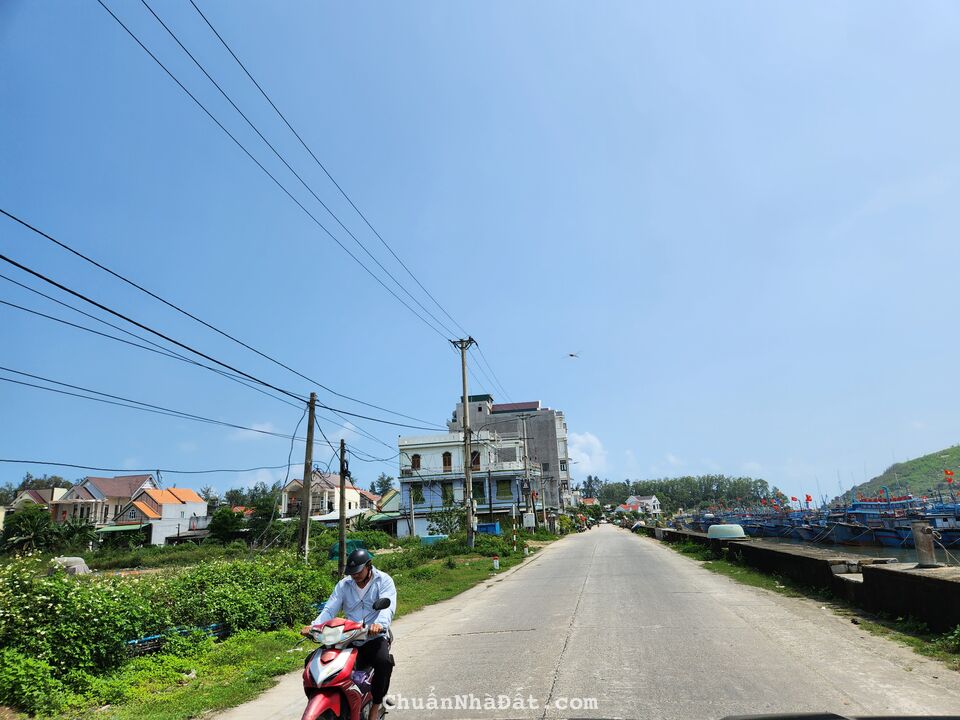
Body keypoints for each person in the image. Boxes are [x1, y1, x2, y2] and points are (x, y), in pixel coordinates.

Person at [303, 548, 397, 720]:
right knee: (311, 662)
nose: (355, 576)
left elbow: (388, 607)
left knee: (383, 662)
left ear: (369, 566)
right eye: (352, 572)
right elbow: (330, 609)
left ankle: (376, 706)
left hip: (372, 636)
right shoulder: (344, 585)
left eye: (358, 571)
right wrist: (314, 626)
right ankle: (323, 701)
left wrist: (379, 625)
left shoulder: (383, 581)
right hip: (347, 637)